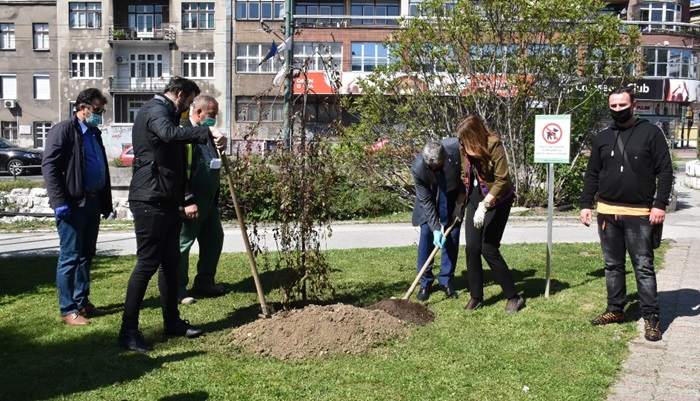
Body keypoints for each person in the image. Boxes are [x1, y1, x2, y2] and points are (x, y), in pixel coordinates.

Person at [118, 77, 227, 352]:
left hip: (166, 200)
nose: (187, 109)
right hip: (149, 199)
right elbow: (168, 134)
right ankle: (128, 331)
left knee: (170, 263)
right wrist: (206, 133)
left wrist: (184, 197)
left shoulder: (167, 114)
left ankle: (173, 323)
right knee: (146, 265)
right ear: (179, 95)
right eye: (189, 103)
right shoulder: (155, 111)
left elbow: (176, 159)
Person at [580, 87, 673, 342]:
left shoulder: (651, 133)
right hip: (607, 212)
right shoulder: (602, 137)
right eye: (614, 106)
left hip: (641, 213)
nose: (618, 110)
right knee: (612, 266)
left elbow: (665, 171)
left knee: (643, 267)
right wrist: (586, 204)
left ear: (634, 104)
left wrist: (660, 205)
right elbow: (592, 174)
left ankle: (651, 318)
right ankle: (615, 310)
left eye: (622, 105)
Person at [42, 88, 113, 325]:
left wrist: (105, 202)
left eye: (102, 109)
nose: (100, 113)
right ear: (82, 108)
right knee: (70, 257)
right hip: (73, 205)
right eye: (96, 109)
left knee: (86, 256)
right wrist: (59, 202)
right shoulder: (63, 130)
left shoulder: (94, 133)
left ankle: (82, 303)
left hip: (92, 201)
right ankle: (67, 310)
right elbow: (49, 167)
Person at [456, 115, 524, 313]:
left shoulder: (493, 144)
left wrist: (485, 205)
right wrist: (463, 204)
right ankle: (476, 297)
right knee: (472, 249)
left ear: (475, 135)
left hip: (498, 199)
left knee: (488, 248)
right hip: (475, 197)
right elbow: (464, 174)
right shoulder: (464, 146)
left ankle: (514, 296)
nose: (462, 143)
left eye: (465, 139)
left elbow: (503, 180)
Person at [177, 95, 227, 305]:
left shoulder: (208, 135)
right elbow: (179, 171)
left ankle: (205, 281)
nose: (213, 119)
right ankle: (178, 289)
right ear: (198, 112)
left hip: (209, 203)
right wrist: (187, 200)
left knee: (214, 239)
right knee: (182, 245)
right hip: (191, 202)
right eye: (211, 115)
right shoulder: (183, 133)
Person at [411, 139, 466, 301]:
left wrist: (459, 205)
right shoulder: (418, 168)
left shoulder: (456, 149)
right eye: (432, 167)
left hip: (452, 196)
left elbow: (466, 178)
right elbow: (426, 201)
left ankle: (446, 280)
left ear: (444, 158)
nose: (436, 169)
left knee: (452, 235)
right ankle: (425, 282)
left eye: (439, 165)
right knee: (427, 235)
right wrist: (436, 228)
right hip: (430, 198)